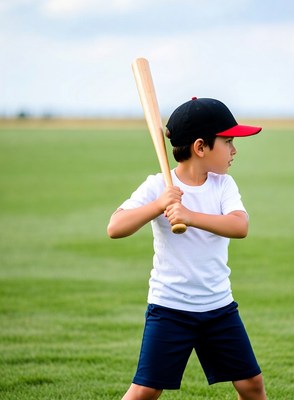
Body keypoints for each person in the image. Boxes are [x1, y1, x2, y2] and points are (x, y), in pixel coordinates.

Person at [107, 97, 267, 400]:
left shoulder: (223, 185)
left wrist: (190, 216)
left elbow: (239, 226)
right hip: (170, 309)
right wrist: (158, 205)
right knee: (146, 389)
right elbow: (115, 227)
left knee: (252, 383)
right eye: (228, 141)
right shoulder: (158, 187)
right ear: (200, 147)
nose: (234, 150)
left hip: (218, 307)